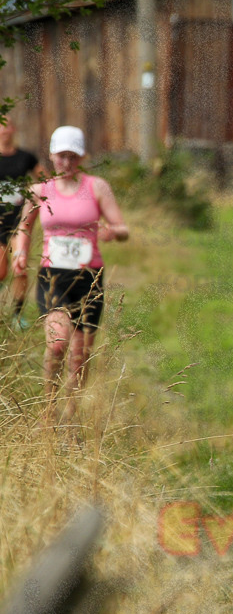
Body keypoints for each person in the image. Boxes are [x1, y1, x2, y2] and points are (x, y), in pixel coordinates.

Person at [12, 125, 129, 420]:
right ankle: (49, 410)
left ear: (82, 157)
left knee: (79, 354)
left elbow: (123, 227)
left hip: (89, 278)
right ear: (51, 156)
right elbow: (23, 229)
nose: (66, 162)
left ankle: (71, 414)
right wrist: (21, 252)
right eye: (61, 156)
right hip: (53, 276)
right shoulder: (39, 190)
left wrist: (113, 232)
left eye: (72, 156)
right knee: (57, 345)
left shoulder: (97, 187)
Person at [0, 119, 43, 329]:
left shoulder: (25, 157)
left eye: (7, 125)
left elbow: (45, 180)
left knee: (20, 267)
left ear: (13, 128)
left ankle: (17, 314)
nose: (3, 130)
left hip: (20, 221)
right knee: (1, 271)